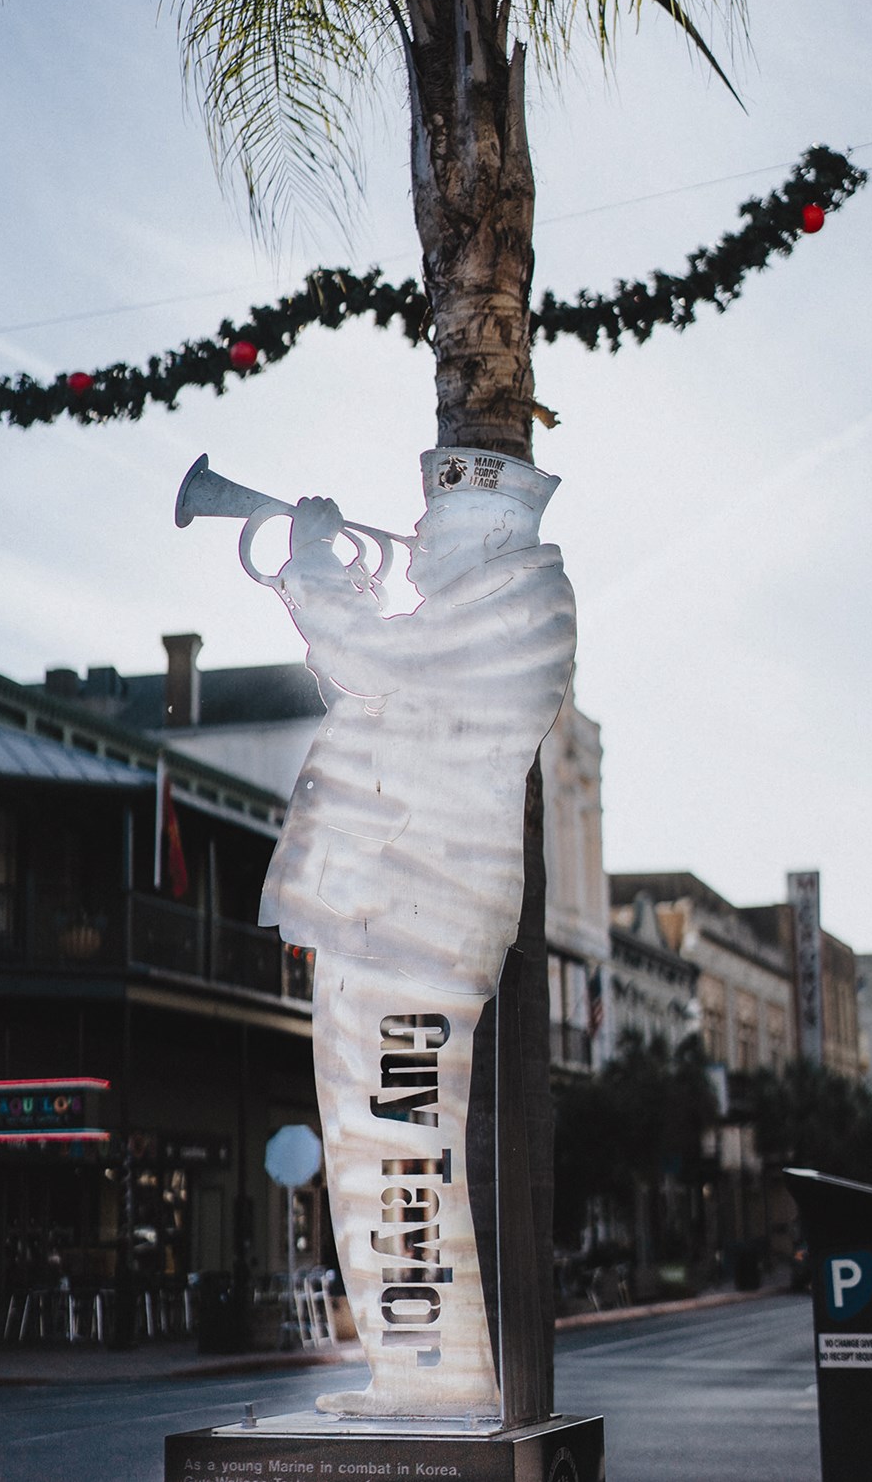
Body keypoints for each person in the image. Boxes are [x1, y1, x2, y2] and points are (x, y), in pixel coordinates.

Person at [258, 448, 576, 1419]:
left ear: (489, 531)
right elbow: (367, 695)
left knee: (397, 1145)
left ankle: (434, 1378)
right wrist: (331, 588)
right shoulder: (476, 613)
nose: (417, 542)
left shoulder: (523, 608)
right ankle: (412, 1372)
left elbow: (378, 663)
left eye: (434, 529)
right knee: (369, 1144)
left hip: (417, 915)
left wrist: (318, 570)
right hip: (382, 908)